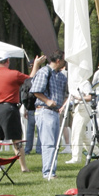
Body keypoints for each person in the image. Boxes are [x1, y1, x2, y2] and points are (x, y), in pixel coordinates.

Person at [0, 50, 45, 174]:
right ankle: (24, 167)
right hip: (8, 109)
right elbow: (30, 80)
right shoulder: (13, 74)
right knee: (16, 139)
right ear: (7, 61)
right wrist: (36, 65)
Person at [29, 51, 68, 180]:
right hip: (44, 110)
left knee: (55, 143)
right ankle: (48, 172)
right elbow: (35, 90)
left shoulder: (61, 76)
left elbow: (65, 93)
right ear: (58, 60)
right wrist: (47, 101)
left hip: (55, 112)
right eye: (63, 59)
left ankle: (52, 170)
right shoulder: (44, 72)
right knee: (48, 143)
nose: (65, 62)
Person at [65, 80, 94, 164]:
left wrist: (79, 98)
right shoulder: (74, 83)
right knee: (82, 135)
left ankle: (76, 157)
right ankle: (97, 152)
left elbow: (89, 97)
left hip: (83, 108)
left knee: (77, 133)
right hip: (76, 108)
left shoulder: (85, 83)